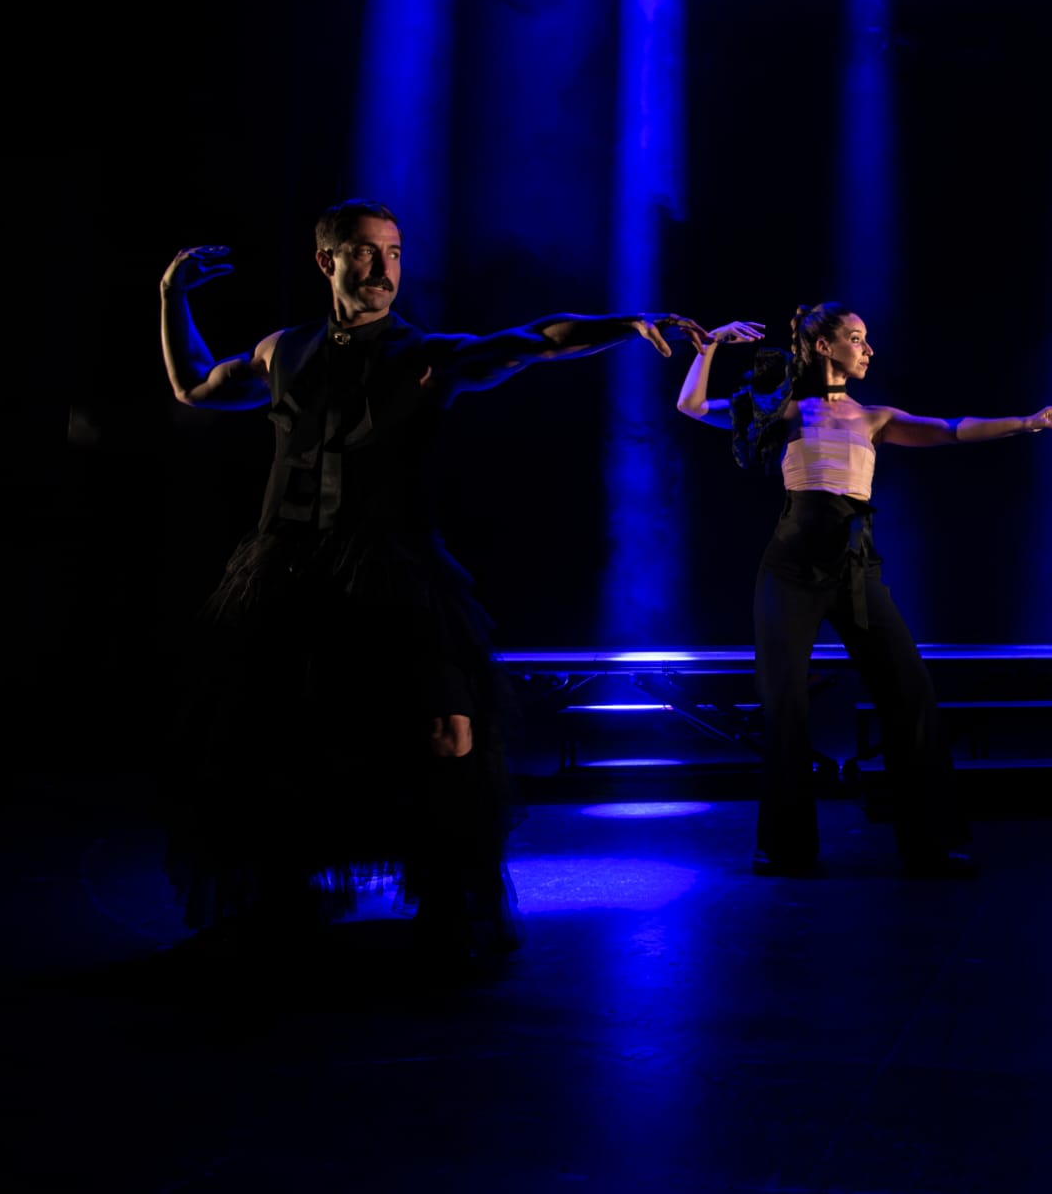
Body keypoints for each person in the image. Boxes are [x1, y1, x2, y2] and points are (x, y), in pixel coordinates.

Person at [161, 199, 703, 961]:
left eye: (394, 252)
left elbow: (535, 341)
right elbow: (194, 386)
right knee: (277, 735)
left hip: (396, 567)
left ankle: (449, 903)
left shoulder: (425, 354)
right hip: (285, 569)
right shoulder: (284, 349)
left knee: (449, 732)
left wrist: (626, 323)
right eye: (365, 251)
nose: (383, 268)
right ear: (327, 261)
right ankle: (282, 899)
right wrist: (171, 295)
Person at [677, 304, 1052, 877]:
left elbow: (952, 429)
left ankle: (932, 842)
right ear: (824, 346)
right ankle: (785, 846)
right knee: (783, 704)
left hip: (855, 566)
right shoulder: (784, 411)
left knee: (910, 693)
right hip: (791, 566)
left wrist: (1026, 422)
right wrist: (708, 347)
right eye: (856, 338)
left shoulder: (874, 418)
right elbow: (692, 407)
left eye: (866, 339)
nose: (868, 349)